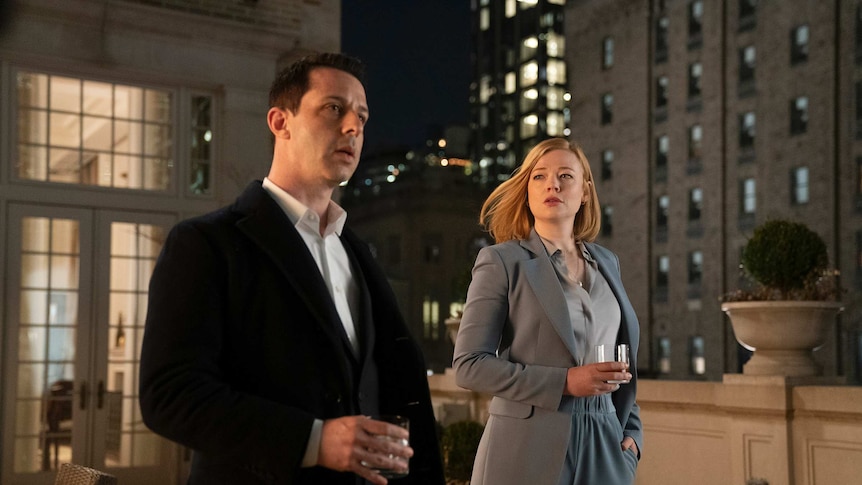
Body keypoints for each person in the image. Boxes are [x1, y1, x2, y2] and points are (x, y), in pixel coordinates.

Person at [139, 52, 445, 485]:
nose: (353, 127)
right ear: (280, 122)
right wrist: (314, 440)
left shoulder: (356, 252)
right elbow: (169, 396)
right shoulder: (206, 244)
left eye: (362, 116)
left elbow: (393, 383)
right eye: (334, 109)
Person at [452, 138, 642, 485]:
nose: (552, 184)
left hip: (607, 445)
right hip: (526, 448)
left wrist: (633, 436)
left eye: (565, 176)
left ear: (585, 191)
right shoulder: (502, 261)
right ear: (526, 190)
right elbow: (468, 366)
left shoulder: (608, 263)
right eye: (539, 177)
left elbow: (621, 365)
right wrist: (566, 382)